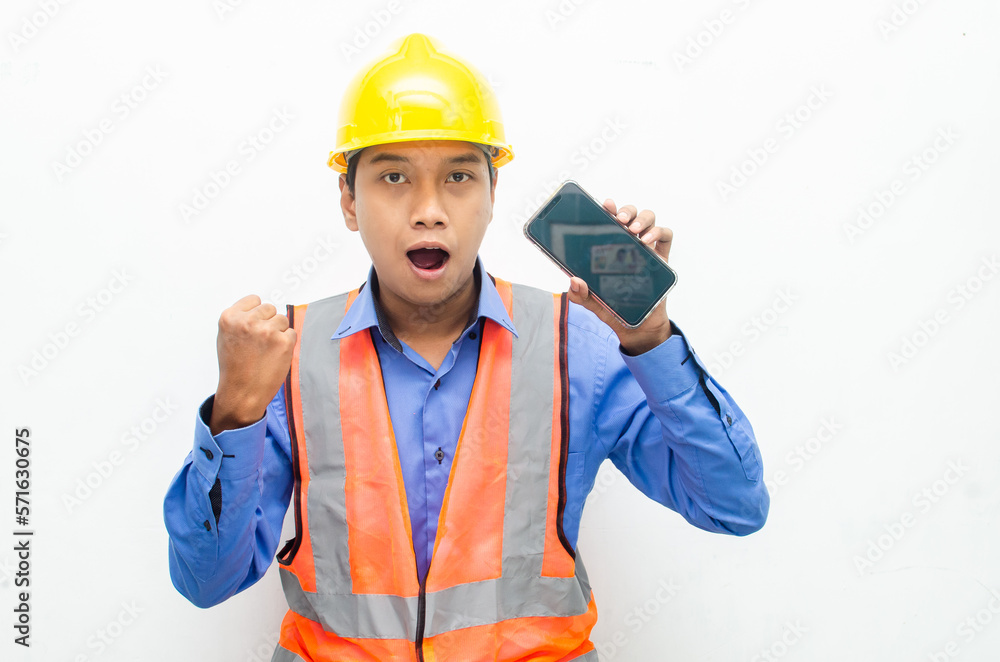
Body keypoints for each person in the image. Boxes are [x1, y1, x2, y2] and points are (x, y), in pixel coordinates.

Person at [163, 32, 768, 661]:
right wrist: (234, 410)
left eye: (458, 177)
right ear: (348, 200)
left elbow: (734, 505)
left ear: (492, 194)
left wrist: (649, 340)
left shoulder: (576, 346)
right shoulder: (285, 360)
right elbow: (207, 582)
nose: (429, 210)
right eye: (393, 176)